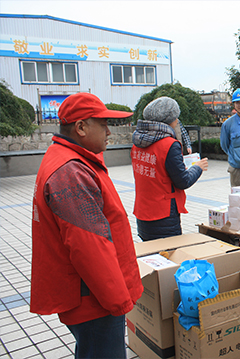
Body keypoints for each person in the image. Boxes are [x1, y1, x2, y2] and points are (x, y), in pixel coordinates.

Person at [30, 92, 143, 358]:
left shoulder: (71, 159)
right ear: (80, 127)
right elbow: (90, 247)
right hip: (94, 297)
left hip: (91, 292)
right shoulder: (71, 172)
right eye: (102, 124)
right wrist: (118, 301)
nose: (108, 132)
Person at [131, 96, 208, 241]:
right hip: (164, 216)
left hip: (143, 214)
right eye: (176, 117)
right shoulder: (169, 144)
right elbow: (183, 181)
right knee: (168, 257)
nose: (177, 121)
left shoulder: (138, 142)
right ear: (170, 120)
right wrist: (197, 167)